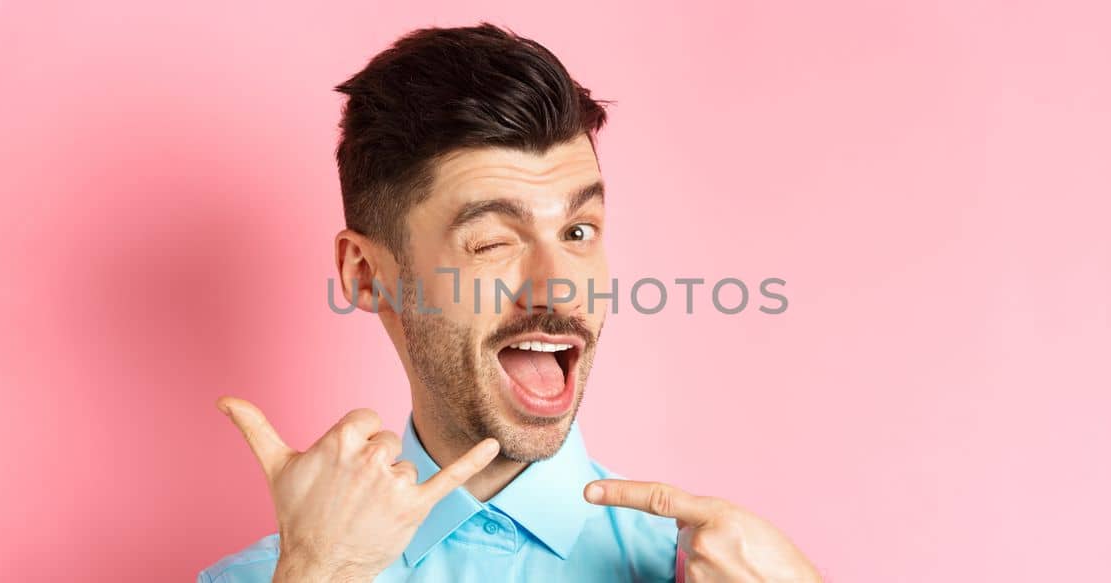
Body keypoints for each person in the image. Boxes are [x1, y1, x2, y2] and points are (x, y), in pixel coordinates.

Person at [199, 23, 821, 582]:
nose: (559, 287)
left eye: (578, 232)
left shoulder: (713, 572)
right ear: (366, 275)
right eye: (493, 241)